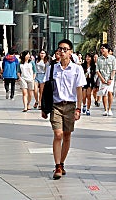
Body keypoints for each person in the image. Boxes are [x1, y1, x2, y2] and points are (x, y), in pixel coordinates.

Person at [41, 39, 86, 180]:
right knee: (58, 134)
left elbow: (79, 90)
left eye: (65, 49)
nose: (62, 51)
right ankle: (57, 166)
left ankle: (62, 162)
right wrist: (43, 107)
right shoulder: (52, 68)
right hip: (56, 105)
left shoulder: (77, 69)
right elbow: (46, 88)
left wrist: (79, 108)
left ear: (71, 52)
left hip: (71, 105)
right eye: (60, 49)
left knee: (67, 136)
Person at [96, 44, 116, 116]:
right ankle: (105, 109)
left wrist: (111, 79)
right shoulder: (99, 59)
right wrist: (101, 79)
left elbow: (114, 69)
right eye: (101, 48)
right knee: (103, 93)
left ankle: (110, 109)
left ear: (107, 50)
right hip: (103, 79)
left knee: (110, 93)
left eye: (103, 48)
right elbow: (97, 70)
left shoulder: (112, 58)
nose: (102, 50)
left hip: (110, 78)